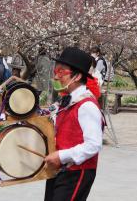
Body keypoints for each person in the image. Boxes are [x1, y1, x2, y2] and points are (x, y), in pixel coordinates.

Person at [44, 47, 105, 201]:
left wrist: (62, 155)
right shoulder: (67, 100)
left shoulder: (87, 105)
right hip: (61, 168)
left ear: (77, 76)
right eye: (55, 71)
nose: (56, 77)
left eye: (61, 72)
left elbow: (93, 144)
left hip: (77, 171)